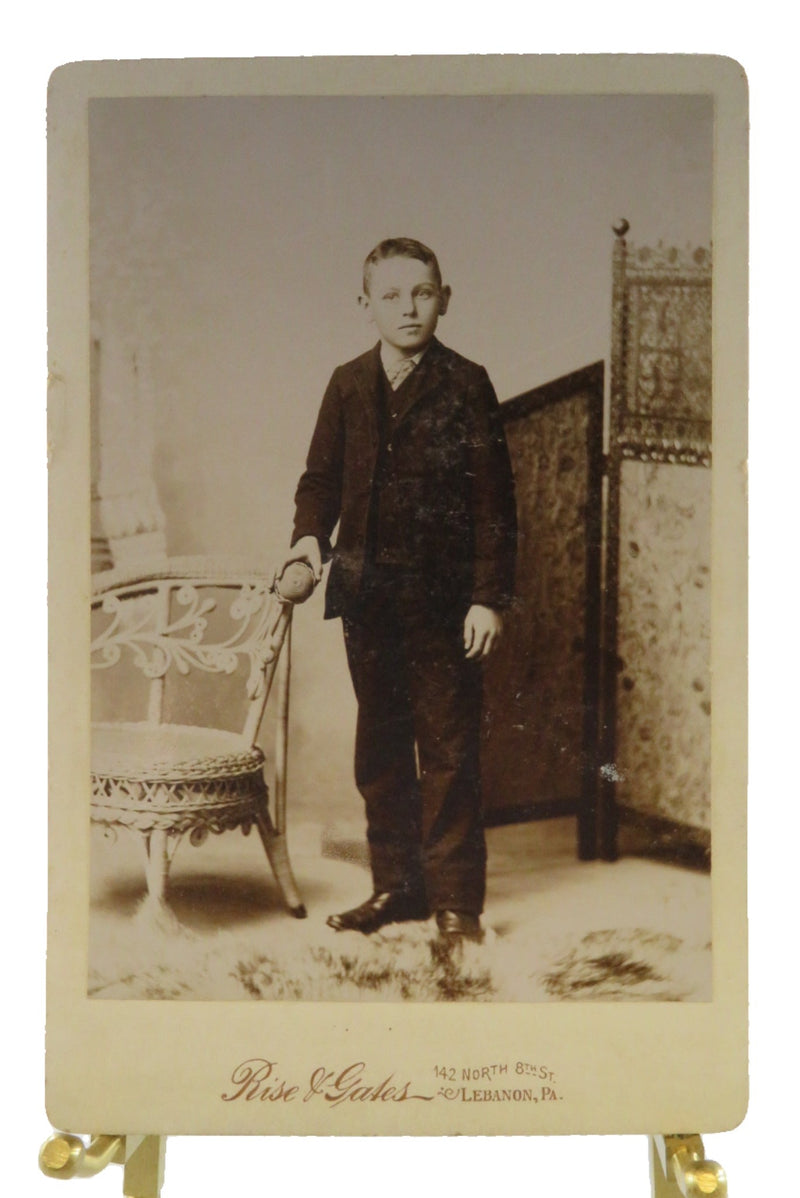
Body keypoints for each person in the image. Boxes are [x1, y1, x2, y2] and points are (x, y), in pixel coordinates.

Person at [285, 237, 516, 942]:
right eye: (392, 295)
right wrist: (306, 539)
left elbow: (495, 506)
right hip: (367, 599)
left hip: (445, 607)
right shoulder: (348, 383)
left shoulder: (466, 383)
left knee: (447, 749)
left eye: (422, 293)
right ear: (366, 305)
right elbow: (318, 481)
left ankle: (455, 902)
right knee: (380, 748)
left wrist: (488, 597)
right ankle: (397, 887)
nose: (409, 308)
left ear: (445, 298)